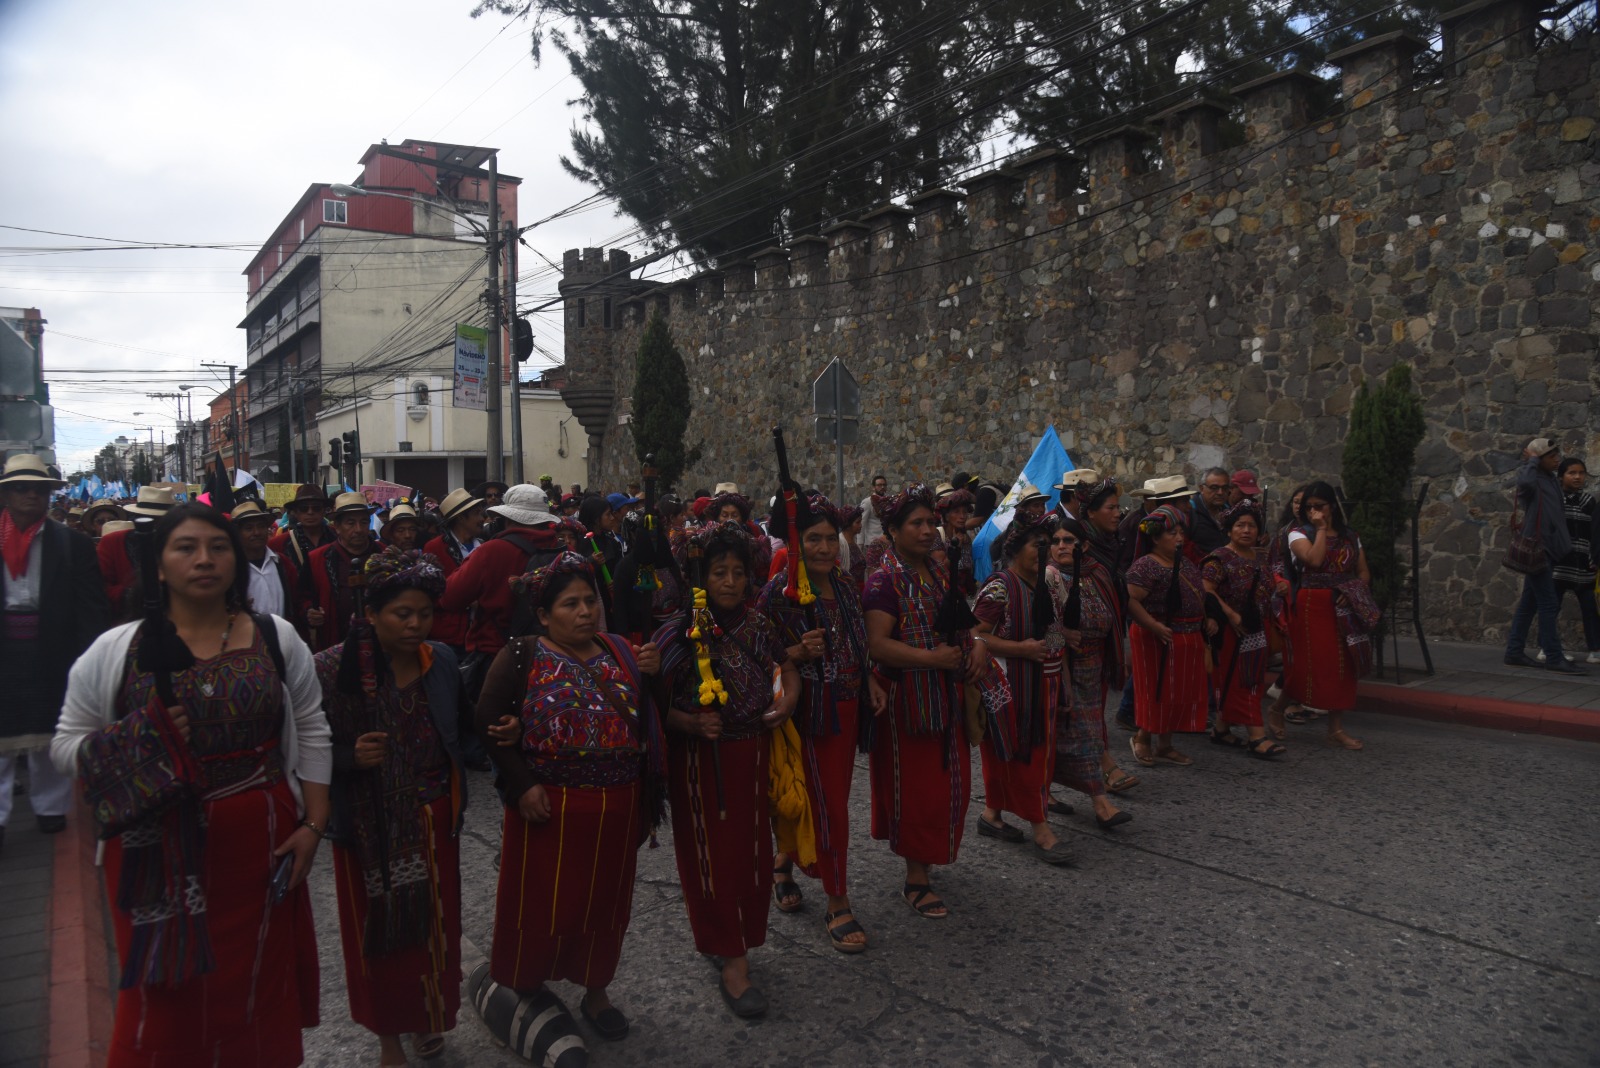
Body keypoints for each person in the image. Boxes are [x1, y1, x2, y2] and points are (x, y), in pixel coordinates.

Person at [53, 503, 329, 1068]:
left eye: (218, 547)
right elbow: (65, 745)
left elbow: (312, 725)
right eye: (186, 547)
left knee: (258, 983)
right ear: (157, 565)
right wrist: (142, 738)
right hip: (156, 856)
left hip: (263, 847)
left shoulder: (277, 638)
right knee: (166, 1000)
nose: (204, 559)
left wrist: (313, 826)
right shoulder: (117, 650)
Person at [475, 552, 665, 1049]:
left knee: (605, 906)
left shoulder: (621, 650)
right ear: (543, 615)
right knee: (540, 902)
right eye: (570, 604)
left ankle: (596, 992)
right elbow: (488, 721)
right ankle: (527, 986)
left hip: (616, 805)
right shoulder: (522, 655)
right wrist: (521, 783)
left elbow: (651, 718)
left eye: (589, 601)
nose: (585, 612)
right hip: (548, 807)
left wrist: (655, 674)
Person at [315, 549, 466, 1067]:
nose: (416, 624)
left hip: (433, 817)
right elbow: (302, 749)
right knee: (376, 938)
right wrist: (348, 756)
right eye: (403, 613)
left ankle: (426, 1013)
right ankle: (387, 1038)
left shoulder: (441, 661)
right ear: (372, 613)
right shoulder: (332, 670)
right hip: (367, 828)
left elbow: (461, 729)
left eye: (425, 613)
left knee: (434, 930)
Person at [656, 522, 798, 1017]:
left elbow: (787, 666)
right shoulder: (679, 631)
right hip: (702, 763)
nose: (731, 582)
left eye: (739, 572)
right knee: (713, 858)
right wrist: (690, 723)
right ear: (702, 577)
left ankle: (739, 938)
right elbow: (649, 704)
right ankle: (733, 962)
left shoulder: (758, 625)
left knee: (753, 854)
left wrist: (788, 702)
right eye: (720, 572)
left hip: (753, 754)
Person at [757, 494, 887, 952]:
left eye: (831, 539)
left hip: (848, 713)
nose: (825, 548)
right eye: (813, 539)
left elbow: (858, 642)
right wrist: (795, 652)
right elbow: (753, 653)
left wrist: (870, 677)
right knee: (823, 806)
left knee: (825, 800)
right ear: (796, 543)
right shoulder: (780, 593)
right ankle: (837, 899)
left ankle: (783, 862)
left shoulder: (847, 586)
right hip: (808, 715)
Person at [863, 483, 989, 920]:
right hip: (907, 704)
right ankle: (916, 875)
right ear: (893, 530)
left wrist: (976, 646)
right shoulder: (883, 582)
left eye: (929, 521)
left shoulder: (938, 573)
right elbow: (877, 645)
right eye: (915, 523)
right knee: (917, 790)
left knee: (949, 786)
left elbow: (962, 623)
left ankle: (931, 853)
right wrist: (931, 658)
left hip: (945, 696)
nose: (927, 530)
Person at [0, 455, 109, 851]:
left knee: (52, 730)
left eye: (39, 488)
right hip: (4, 646)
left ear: (50, 495)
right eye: (20, 487)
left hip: (53, 643)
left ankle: (50, 808)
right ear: (6, 494)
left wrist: (90, 655)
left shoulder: (72, 543)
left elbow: (90, 604)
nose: (30, 493)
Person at [972, 516, 1073, 864]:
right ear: (1015, 549)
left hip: (1044, 683)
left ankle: (991, 815)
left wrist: (1065, 682)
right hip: (1009, 688)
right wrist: (1022, 650)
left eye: (1047, 546)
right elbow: (975, 635)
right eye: (1037, 545)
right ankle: (1040, 827)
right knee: (1019, 754)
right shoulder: (999, 587)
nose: (1044, 552)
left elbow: (1055, 633)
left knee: (1036, 755)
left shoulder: (1046, 584)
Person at [1276, 482, 1381, 748]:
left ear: (1331, 506)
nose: (1313, 512)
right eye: (1309, 507)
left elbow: (1363, 571)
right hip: (1313, 604)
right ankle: (1278, 708)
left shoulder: (1349, 536)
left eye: (1319, 506)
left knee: (1345, 664)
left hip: (1344, 604)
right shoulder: (1298, 533)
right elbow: (1313, 560)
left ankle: (1335, 727)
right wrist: (1321, 529)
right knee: (1308, 664)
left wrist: (1354, 589)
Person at [1048, 516, 1136, 825]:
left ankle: (1042, 789)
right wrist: (1063, 639)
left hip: (1096, 667)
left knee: (1081, 733)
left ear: (1084, 546)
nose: (1061, 546)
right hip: (1065, 670)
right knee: (1083, 735)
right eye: (1056, 541)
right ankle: (1101, 804)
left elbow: (1113, 616)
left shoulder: (1098, 574)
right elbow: (1041, 631)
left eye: (1068, 541)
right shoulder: (1048, 578)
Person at [1125, 505, 1210, 768]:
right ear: (1155, 538)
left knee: (1177, 691)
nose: (1179, 538)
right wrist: (1153, 625)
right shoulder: (1146, 566)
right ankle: (1142, 737)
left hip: (1186, 636)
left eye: (1180, 532)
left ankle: (1165, 744)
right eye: (1172, 533)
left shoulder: (1184, 563)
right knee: (1156, 689)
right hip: (1156, 637)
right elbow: (1131, 599)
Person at [1201, 502, 1285, 759]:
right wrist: (1231, 614)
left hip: (1257, 630)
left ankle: (1222, 728)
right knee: (1240, 683)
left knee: (1252, 681)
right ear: (1229, 530)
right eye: (1240, 525)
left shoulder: (1260, 556)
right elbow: (1206, 589)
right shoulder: (1219, 558)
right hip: (1230, 633)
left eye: (1252, 526)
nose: (1246, 530)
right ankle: (1257, 736)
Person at [1503, 439, 1586, 674]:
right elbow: (1524, 484)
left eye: (1557, 454)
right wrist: (1531, 461)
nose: (1557, 458)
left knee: (1529, 603)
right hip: (1538, 549)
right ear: (1539, 459)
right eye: (1551, 456)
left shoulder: (1550, 478)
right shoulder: (1533, 479)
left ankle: (1514, 652)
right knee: (1548, 603)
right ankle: (1553, 656)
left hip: (1549, 549)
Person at [306, 491, 379, 651]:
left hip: (381, 642)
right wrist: (310, 613)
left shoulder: (385, 554)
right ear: (337, 527)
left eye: (364, 522)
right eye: (350, 523)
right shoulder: (317, 559)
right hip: (336, 645)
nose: (358, 529)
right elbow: (304, 598)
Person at [97, 486, 179, 623]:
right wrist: (133, 594)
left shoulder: (182, 543)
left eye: (161, 520)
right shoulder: (112, 542)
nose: (155, 525)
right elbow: (100, 586)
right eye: (148, 519)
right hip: (126, 623)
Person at [1546, 458, 1599, 664]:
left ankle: (1595, 649)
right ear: (1561, 477)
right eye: (1572, 473)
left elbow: (1593, 533)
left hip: (1584, 565)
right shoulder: (1555, 500)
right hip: (1559, 564)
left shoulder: (1588, 502)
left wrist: (1593, 558)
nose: (1577, 477)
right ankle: (1548, 646)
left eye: (1581, 473)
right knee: (1552, 607)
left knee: (1590, 608)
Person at [422, 488, 485, 655]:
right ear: (461, 518)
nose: (482, 519)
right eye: (477, 514)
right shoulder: (435, 548)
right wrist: (463, 598)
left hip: (480, 636)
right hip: (448, 638)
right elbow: (428, 594)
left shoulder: (485, 546)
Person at [232, 499, 300, 629]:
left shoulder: (282, 562)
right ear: (237, 533)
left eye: (261, 526)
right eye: (249, 528)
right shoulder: (229, 569)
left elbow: (297, 601)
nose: (257, 532)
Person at [269, 483, 334, 571]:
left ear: (324, 511)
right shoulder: (279, 544)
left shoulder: (338, 537)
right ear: (295, 512)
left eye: (316, 508)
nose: (310, 512)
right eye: (304, 508)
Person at [934, 483, 977, 596]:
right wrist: (955, 546)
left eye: (964, 512)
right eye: (956, 512)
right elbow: (939, 570)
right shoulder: (937, 535)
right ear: (946, 516)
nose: (962, 516)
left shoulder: (966, 538)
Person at [1189, 467, 1233, 556]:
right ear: (1202, 489)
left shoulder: (1230, 512)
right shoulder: (1191, 512)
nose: (1220, 492)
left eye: (1225, 488)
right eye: (1214, 487)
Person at [858, 473, 888, 547]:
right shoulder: (868, 502)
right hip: (872, 543)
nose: (882, 487)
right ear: (873, 487)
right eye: (879, 485)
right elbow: (861, 523)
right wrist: (860, 543)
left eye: (884, 485)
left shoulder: (888, 501)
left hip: (887, 542)